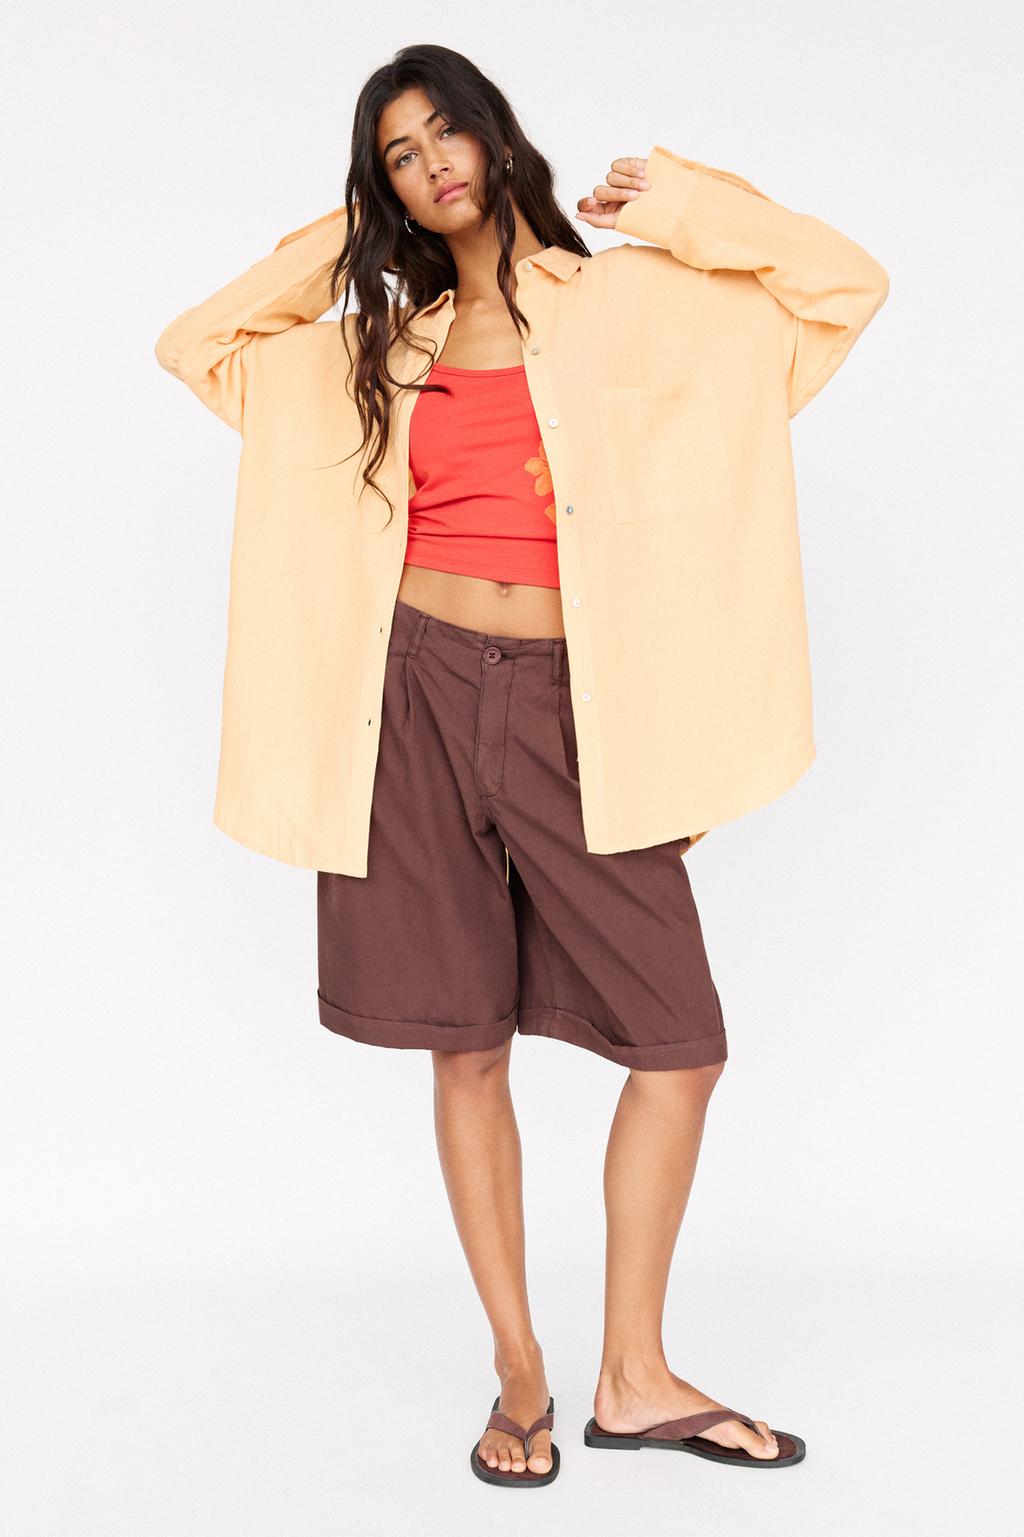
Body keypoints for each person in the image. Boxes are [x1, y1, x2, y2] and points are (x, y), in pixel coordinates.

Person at [155, 42, 887, 1490]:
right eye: (398, 154)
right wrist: (343, 237)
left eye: (445, 132)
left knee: (679, 1045)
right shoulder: (380, 343)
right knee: (467, 1039)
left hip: (580, 703)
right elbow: (198, 345)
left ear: (495, 137)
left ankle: (636, 1375)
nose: (432, 163)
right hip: (411, 698)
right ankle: (522, 1370)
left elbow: (842, 288)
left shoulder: (632, 304)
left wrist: (681, 206)